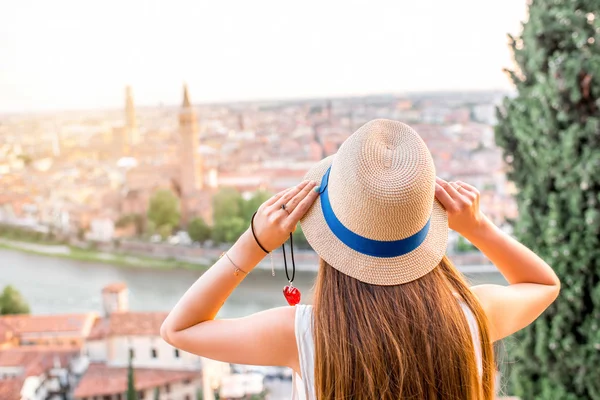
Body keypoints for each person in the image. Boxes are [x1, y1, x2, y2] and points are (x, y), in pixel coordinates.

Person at [161, 119, 560, 399]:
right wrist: (478, 228)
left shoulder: (303, 335)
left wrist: (253, 243)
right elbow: (544, 284)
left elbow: (179, 330)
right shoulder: (473, 316)